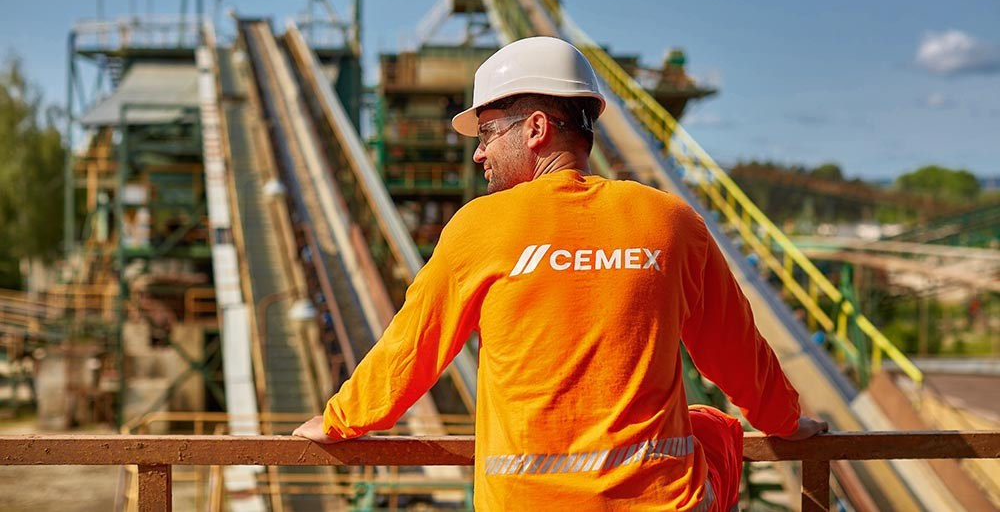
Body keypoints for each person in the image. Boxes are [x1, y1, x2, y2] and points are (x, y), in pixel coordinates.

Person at [294, 36, 828, 510]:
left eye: (486, 133)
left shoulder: (480, 227)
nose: (478, 153)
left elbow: (413, 348)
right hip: (659, 503)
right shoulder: (670, 221)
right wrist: (785, 423)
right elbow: (734, 349)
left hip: (523, 502)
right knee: (713, 425)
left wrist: (341, 419)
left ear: (536, 129)